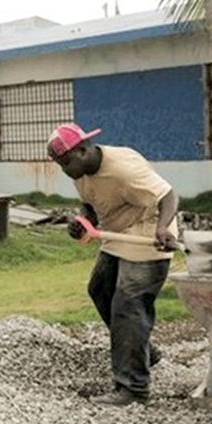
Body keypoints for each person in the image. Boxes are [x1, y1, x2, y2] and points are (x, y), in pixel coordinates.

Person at [46, 123, 179, 406]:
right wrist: (83, 222)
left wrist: (163, 228)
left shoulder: (123, 168)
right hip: (118, 233)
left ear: (83, 150)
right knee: (100, 289)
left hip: (149, 230)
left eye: (65, 163)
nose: (64, 170)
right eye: (60, 164)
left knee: (128, 303)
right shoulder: (80, 171)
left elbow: (168, 195)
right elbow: (90, 205)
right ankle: (141, 351)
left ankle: (133, 388)